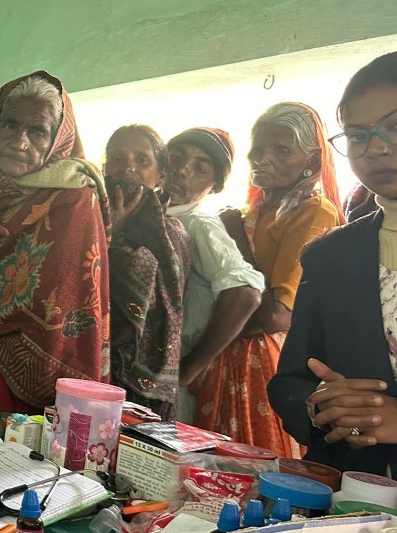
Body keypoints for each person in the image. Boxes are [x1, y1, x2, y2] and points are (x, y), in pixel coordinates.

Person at [0, 72, 110, 436]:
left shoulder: (74, 198)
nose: (19, 141)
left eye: (37, 131)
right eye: (10, 125)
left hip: (33, 383)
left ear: (57, 139)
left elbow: (56, 298)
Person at [270, 53, 397, 475]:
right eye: (358, 136)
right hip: (349, 499)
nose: (376, 148)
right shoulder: (330, 255)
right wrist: (319, 405)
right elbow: (290, 381)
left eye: (394, 127)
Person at [196, 102, 342, 457]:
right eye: (258, 149)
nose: (263, 159)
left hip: (262, 359)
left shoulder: (314, 212)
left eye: (282, 150)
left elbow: (277, 314)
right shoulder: (256, 210)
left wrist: (235, 239)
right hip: (228, 349)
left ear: (311, 160)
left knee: (250, 467)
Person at [165, 128, 264, 424]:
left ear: (214, 185)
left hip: (173, 377)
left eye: (200, 167)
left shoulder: (199, 223)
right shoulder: (155, 214)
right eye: (176, 157)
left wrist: (191, 367)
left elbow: (245, 291)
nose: (182, 170)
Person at [104, 124, 191, 420]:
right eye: (117, 158)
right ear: (104, 167)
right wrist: (108, 230)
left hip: (145, 388)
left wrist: (112, 240)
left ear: (161, 176)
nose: (127, 167)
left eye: (142, 160)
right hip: (94, 369)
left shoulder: (172, 232)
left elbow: (153, 297)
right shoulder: (86, 219)